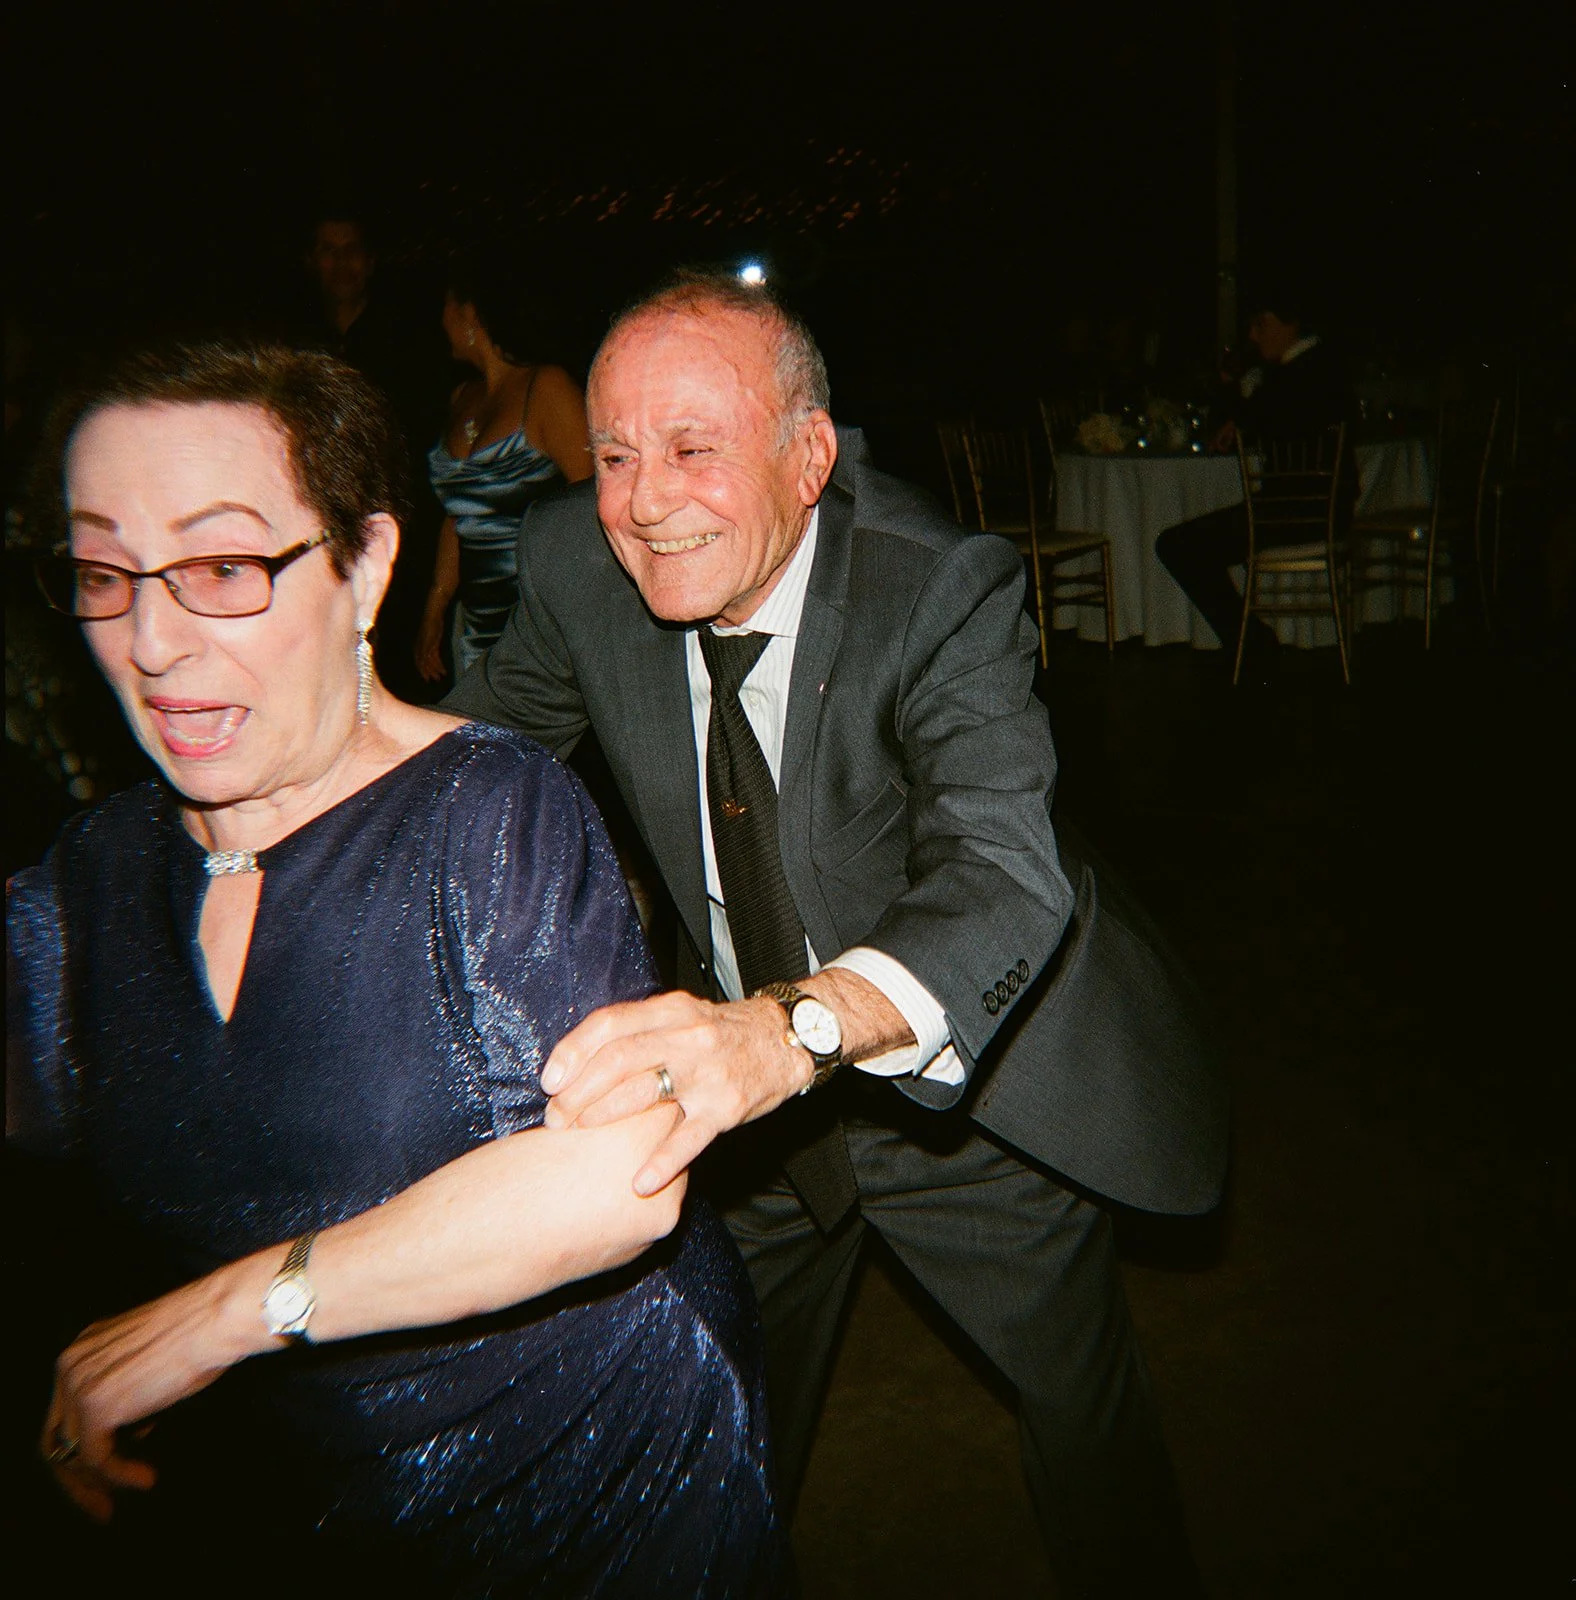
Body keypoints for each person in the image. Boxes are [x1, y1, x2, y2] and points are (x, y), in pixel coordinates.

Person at [445, 272, 1229, 1596]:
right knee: (716, 1413)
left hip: (962, 1071)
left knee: (1081, 1413)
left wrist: (789, 1029)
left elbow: (1000, 871)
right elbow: (477, 754)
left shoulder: (939, 586)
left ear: (809, 456)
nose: (641, 502)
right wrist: (301, 766)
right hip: (746, 1100)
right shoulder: (583, 565)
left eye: (694, 449)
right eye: (620, 453)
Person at [6, 341, 786, 1597]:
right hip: (302, 1508)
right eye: (104, 573)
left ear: (366, 565)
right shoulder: (81, 878)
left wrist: (218, 1317)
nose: (152, 640)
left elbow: (619, 1179)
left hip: (589, 1489)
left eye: (221, 566)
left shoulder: (487, 807)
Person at [417, 257, 591, 684]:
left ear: (469, 312)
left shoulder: (546, 387)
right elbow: (458, 518)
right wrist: (434, 611)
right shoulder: (462, 396)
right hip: (474, 624)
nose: (440, 321)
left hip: (536, 621)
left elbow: (594, 505)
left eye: (445, 307)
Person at [1156, 292, 1350, 658]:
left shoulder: (1299, 373)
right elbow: (1255, 418)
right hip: (1311, 507)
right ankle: (1249, 637)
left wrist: (1232, 393)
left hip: (1298, 511)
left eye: (1261, 325)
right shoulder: (1313, 367)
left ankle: (1249, 641)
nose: (1254, 336)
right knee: (1186, 543)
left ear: (1290, 324)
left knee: (1177, 545)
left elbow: (1262, 416)